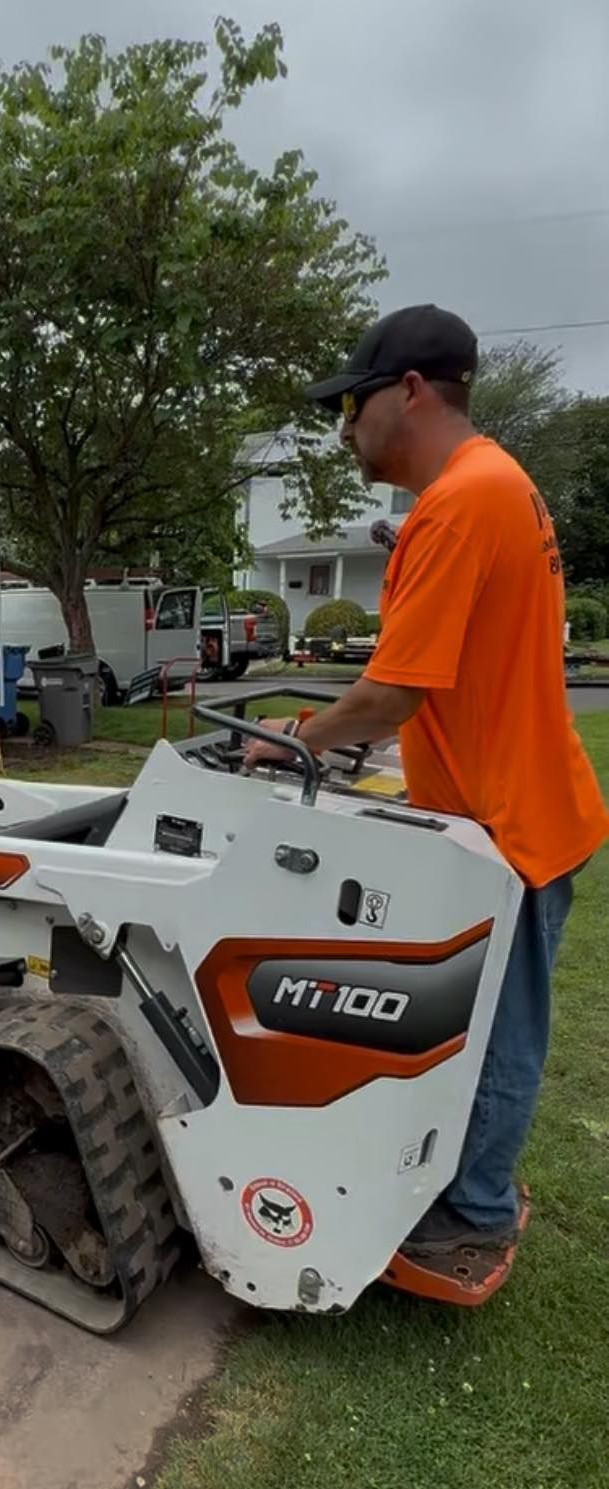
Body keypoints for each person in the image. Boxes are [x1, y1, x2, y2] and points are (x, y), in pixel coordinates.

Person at [244, 303, 609, 1255]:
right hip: (508, 802)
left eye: (352, 405)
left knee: (497, 1029)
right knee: (474, 1016)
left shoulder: (458, 502)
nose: (344, 428)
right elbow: (435, 680)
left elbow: (391, 695)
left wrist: (294, 738)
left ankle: (473, 1212)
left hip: (514, 821)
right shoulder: (496, 485)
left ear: (408, 392)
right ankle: (457, 1173)